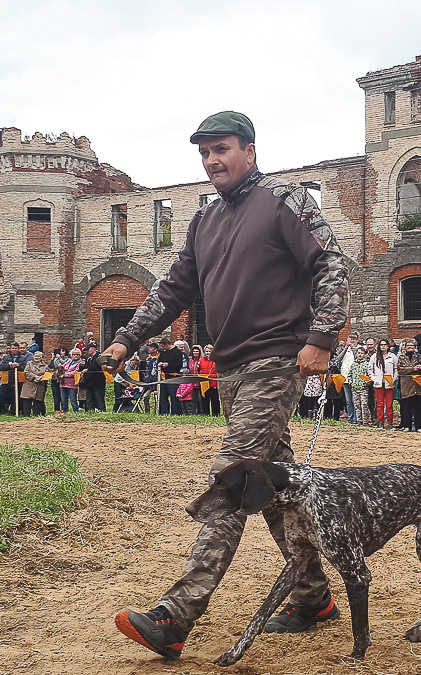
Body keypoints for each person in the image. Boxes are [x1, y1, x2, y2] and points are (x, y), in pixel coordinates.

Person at [107, 111, 348, 659]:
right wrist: (127, 339)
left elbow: (332, 264)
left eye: (222, 149)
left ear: (250, 151)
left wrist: (322, 335)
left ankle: (177, 613)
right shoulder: (203, 222)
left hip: (275, 359)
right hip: (230, 368)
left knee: (233, 477)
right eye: (205, 153)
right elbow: (171, 289)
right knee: (271, 488)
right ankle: (313, 595)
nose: (213, 161)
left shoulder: (286, 201)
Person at [396, 338, 421, 431]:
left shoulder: (419, 357)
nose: (410, 347)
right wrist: (413, 369)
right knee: (406, 407)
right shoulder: (401, 357)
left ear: (415, 347)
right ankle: (407, 425)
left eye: (411, 346)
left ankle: (418, 426)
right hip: (406, 385)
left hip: (418, 385)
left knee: (418, 407)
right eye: (408, 346)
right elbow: (400, 370)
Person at [369, 338, 397, 430]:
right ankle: (380, 422)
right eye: (381, 345)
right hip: (379, 383)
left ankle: (390, 423)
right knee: (380, 404)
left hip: (389, 383)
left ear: (388, 346)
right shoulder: (374, 357)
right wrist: (374, 379)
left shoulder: (392, 356)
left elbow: (396, 369)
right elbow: (370, 370)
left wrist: (393, 379)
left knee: (389, 404)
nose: (383, 346)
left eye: (385, 345)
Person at [156, 336, 185, 416]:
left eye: (163, 346)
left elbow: (179, 365)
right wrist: (159, 364)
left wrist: (168, 365)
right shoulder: (163, 353)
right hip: (163, 377)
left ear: (167, 344)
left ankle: (175, 413)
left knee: (173, 396)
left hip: (173, 377)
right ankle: (164, 412)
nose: (162, 348)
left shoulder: (177, 352)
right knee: (163, 396)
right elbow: (158, 361)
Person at [347, 346, 372, 426]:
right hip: (355, 388)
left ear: (364, 355)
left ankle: (365, 421)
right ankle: (359, 420)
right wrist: (351, 383)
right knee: (357, 405)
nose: (360, 355)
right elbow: (350, 375)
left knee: (364, 405)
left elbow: (369, 376)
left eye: (362, 353)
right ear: (356, 354)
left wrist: (366, 383)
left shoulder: (366, 364)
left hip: (363, 388)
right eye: (359, 353)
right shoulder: (353, 364)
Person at [22, 350, 49, 416]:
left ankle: (36, 415)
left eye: (38, 356)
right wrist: (34, 377)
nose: (36, 357)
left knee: (38, 401)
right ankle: (26, 415)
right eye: (35, 356)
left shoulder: (45, 366)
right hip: (29, 384)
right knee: (27, 401)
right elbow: (26, 372)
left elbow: (47, 374)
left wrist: (40, 378)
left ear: (41, 357)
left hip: (39, 385)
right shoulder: (29, 363)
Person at [339, 334, 359, 423]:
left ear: (357, 340)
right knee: (348, 400)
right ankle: (350, 418)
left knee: (356, 400)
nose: (352, 341)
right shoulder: (346, 350)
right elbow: (338, 360)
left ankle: (356, 418)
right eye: (350, 339)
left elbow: (358, 359)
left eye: (354, 339)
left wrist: (354, 349)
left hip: (355, 378)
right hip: (345, 378)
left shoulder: (359, 349)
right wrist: (345, 349)